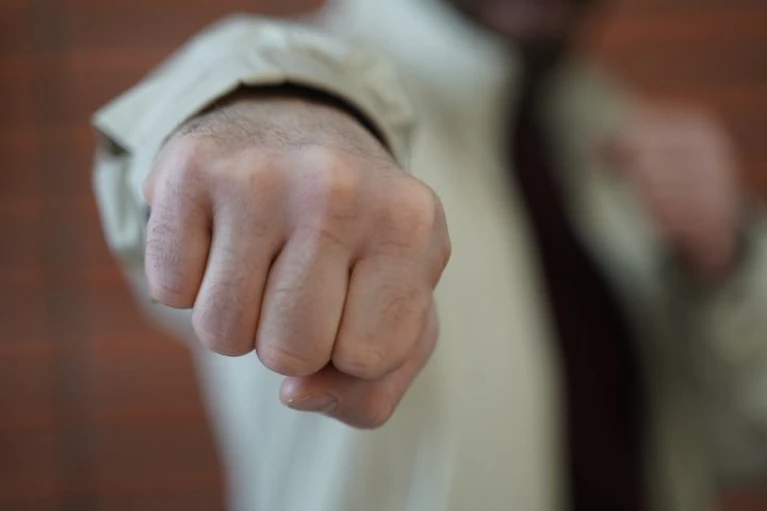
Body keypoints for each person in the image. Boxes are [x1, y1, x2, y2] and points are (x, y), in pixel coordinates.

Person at [91, 0, 767, 509]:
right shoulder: (322, 78)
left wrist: (727, 266)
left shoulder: (610, 133)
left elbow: (735, 449)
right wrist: (270, 111)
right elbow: (233, 88)